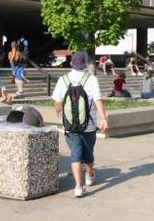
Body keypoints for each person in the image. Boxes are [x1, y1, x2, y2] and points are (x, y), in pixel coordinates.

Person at [52, 51, 108, 198]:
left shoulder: (63, 79)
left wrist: (61, 117)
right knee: (88, 152)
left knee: (75, 153)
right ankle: (89, 175)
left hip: (70, 125)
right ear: (85, 63)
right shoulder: (91, 79)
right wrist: (103, 118)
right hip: (88, 125)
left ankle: (78, 186)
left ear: (71, 63)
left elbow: (57, 103)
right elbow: (98, 101)